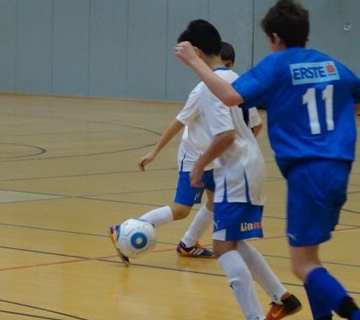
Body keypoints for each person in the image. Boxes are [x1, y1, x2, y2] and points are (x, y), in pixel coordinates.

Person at [174, 0, 360, 320]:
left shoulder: (278, 64)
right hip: (339, 168)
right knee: (311, 259)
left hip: (307, 171)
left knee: (302, 265)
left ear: (274, 37)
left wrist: (194, 62)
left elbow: (230, 96)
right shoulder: (331, 64)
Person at [175, 19, 303, 320]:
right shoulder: (235, 78)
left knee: (222, 247)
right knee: (233, 241)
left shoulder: (209, 86)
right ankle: (281, 298)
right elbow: (253, 125)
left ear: (197, 52)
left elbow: (226, 135)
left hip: (236, 173)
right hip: (250, 165)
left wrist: (199, 165)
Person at [110, 45, 262, 263]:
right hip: (194, 158)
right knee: (181, 209)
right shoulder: (206, 90)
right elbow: (179, 122)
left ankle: (188, 244)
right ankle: (125, 229)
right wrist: (154, 151)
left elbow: (255, 124)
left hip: (217, 158)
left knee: (216, 202)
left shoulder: (234, 88)